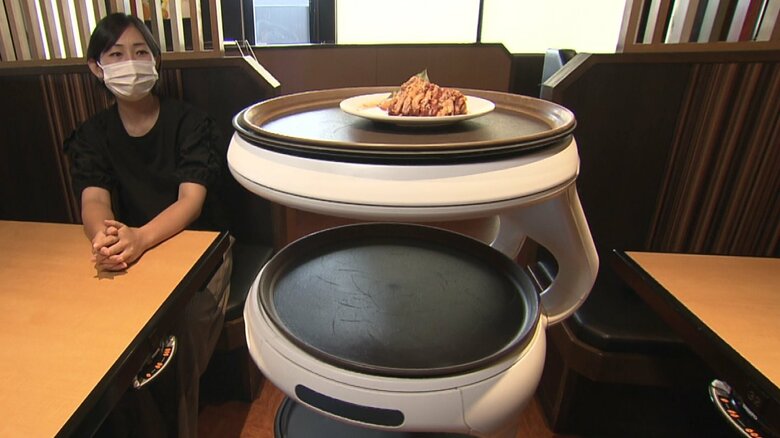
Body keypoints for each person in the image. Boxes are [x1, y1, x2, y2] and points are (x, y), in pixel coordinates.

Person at [64, 13, 232, 438]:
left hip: (201, 253)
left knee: (177, 335)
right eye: (116, 55)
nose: (130, 62)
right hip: (135, 255)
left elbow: (190, 202)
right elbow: (94, 200)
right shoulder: (92, 135)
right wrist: (104, 236)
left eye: (140, 52)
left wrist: (140, 237)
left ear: (155, 60)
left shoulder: (190, 123)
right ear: (96, 68)